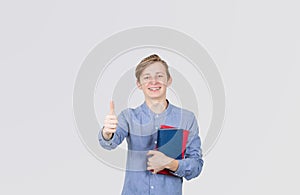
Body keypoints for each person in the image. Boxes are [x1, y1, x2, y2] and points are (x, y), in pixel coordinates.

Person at [98, 54, 204, 195]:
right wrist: (107, 133)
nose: (153, 81)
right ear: (139, 84)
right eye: (147, 77)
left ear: (169, 80)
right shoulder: (128, 117)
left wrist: (170, 163)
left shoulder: (186, 119)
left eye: (159, 76)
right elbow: (109, 143)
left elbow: (196, 166)